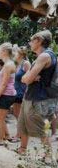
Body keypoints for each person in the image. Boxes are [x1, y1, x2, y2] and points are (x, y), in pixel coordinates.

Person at [18, 30, 58, 160]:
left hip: (38, 99)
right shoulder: (43, 56)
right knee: (23, 124)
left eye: (31, 40)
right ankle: (22, 149)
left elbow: (27, 79)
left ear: (39, 40)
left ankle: (48, 157)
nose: (29, 43)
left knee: (40, 129)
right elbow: (27, 77)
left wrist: (28, 77)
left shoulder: (44, 57)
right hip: (31, 96)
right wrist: (28, 77)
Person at [0, 43, 16, 146]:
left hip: (6, 95)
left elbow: (4, 84)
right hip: (6, 94)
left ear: (5, 52)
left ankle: (0, 139)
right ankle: (7, 135)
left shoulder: (8, 65)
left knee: (0, 118)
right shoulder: (8, 64)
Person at [11, 45, 30, 141]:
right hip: (16, 92)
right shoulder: (17, 64)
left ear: (20, 54)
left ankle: (20, 135)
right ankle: (19, 134)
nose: (14, 55)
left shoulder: (26, 63)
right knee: (16, 114)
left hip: (23, 93)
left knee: (20, 115)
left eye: (16, 53)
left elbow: (30, 77)